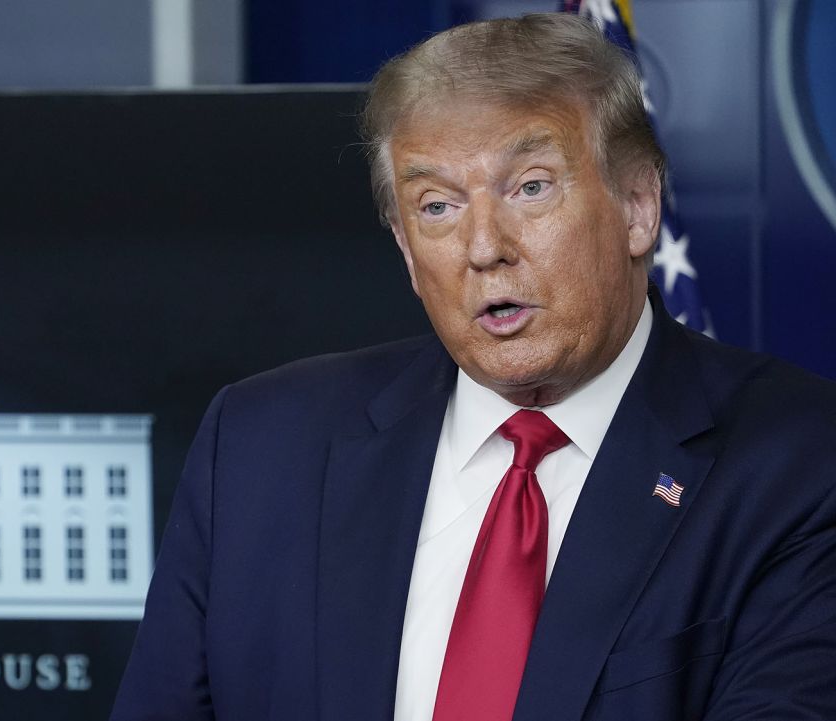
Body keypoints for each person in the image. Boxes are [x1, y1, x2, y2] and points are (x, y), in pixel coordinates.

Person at [111, 12, 836, 721]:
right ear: (403, 244)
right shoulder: (259, 446)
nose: (484, 246)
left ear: (639, 206)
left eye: (531, 187)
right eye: (437, 206)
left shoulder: (798, 462)